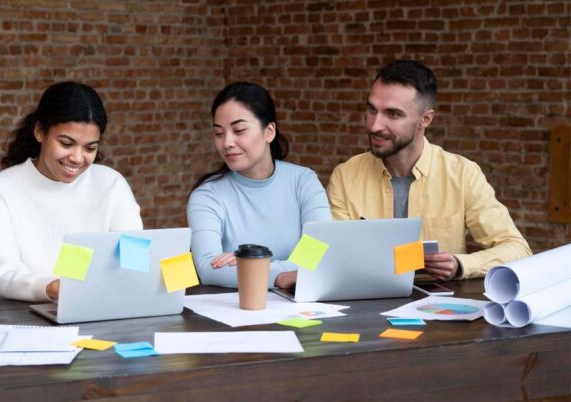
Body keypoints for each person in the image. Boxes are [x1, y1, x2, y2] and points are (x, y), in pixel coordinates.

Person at [327, 60, 532, 280]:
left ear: (425, 119)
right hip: (364, 300)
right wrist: (294, 270)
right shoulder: (345, 176)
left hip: (437, 304)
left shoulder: (463, 175)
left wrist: (461, 264)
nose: (375, 125)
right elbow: (325, 248)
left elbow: (518, 249)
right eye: (371, 109)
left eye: (393, 114)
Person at [0, 82, 143, 302]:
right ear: (40, 132)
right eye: (66, 143)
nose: (77, 157)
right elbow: (2, 274)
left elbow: (135, 259)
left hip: (103, 309)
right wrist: (52, 288)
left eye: (90, 148)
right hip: (26, 319)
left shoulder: (110, 183)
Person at [188, 82, 331, 290]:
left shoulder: (304, 181)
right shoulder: (207, 195)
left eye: (239, 130)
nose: (227, 142)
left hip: (301, 309)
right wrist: (279, 276)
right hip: (236, 314)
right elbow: (207, 269)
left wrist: (249, 266)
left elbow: (318, 252)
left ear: (269, 132)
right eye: (219, 133)